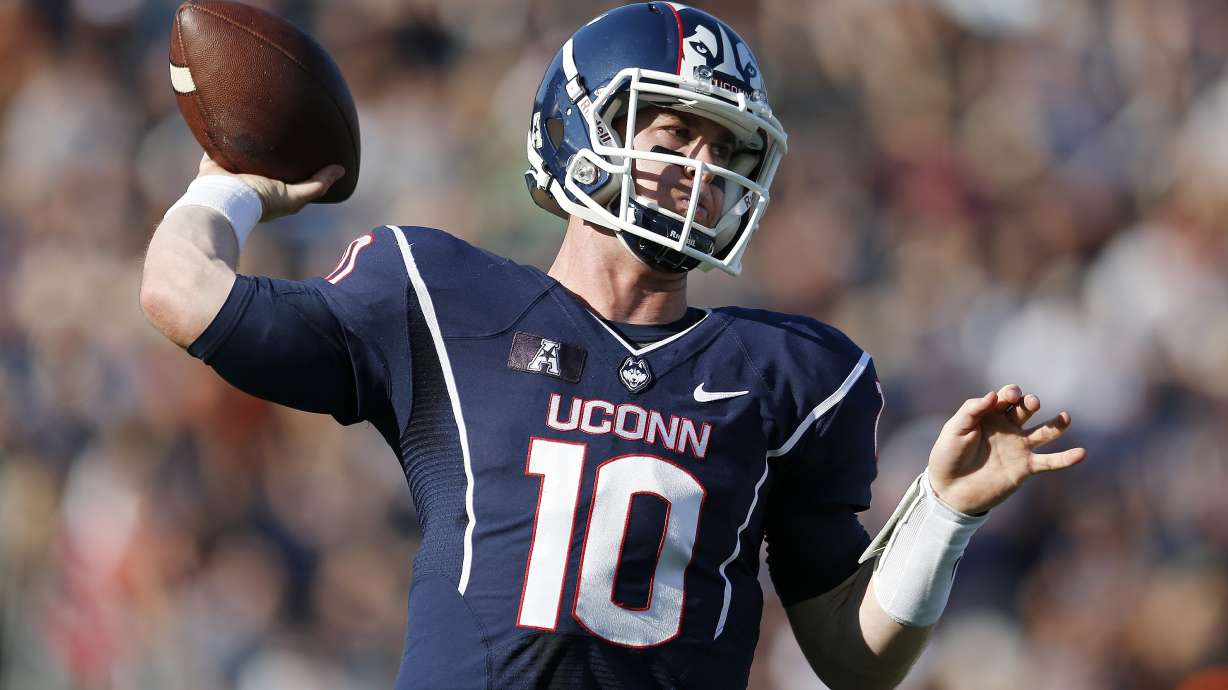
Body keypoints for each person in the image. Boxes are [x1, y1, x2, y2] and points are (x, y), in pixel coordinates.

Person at [140, 4, 1086, 688]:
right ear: (576, 129)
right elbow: (183, 296)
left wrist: (944, 517)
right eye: (676, 130)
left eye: (725, 150)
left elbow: (853, 660)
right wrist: (235, 186)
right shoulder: (440, 295)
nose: (700, 169)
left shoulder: (795, 374)